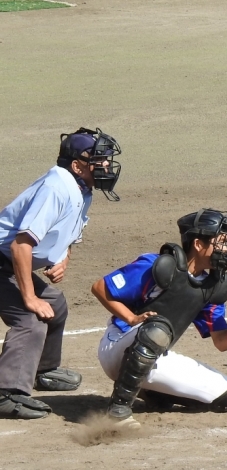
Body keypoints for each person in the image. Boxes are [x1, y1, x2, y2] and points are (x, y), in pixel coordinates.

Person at [92, 208, 227, 428]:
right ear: (198, 244)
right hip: (118, 347)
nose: (226, 249)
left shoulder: (210, 287)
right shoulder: (157, 266)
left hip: (152, 357)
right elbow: (100, 288)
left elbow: (221, 341)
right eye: (221, 242)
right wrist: (131, 318)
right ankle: (117, 411)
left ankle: (152, 392)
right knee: (157, 328)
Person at [0, 127, 123, 419]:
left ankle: (42, 370)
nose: (107, 165)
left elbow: (69, 235)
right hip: (5, 260)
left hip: (7, 264)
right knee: (31, 319)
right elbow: (20, 245)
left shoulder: (82, 190)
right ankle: (7, 393)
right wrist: (29, 298)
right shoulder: (57, 188)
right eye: (100, 160)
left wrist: (63, 259)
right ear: (78, 166)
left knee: (54, 303)